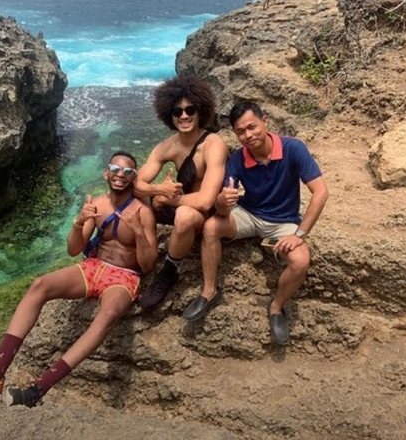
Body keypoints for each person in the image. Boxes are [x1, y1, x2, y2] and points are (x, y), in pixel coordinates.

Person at [0, 151, 158, 407]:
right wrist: (79, 223)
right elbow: (73, 250)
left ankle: (38, 389)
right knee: (39, 285)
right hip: (93, 267)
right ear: (106, 172)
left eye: (127, 171)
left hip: (124, 276)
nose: (120, 175)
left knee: (108, 313)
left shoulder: (143, 212)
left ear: (134, 177)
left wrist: (139, 234)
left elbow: (147, 264)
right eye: (115, 168)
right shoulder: (98, 205)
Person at [196, 102, 329, 344]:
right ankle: (209, 291)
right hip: (249, 213)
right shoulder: (237, 159)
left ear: (265, 121)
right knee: (211, 227)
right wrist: (222, 202)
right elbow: (222, 205)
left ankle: (277, 307)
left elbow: (320, 192)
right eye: (240, 131)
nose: (248, 135)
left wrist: (299, 234)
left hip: (284, 220)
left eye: (252, 127)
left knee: (300, 261)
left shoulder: (293, 148)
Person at [135, 75, 228, 313]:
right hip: (177, 205)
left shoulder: (213, 144)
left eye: (190, 109)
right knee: (133, 204)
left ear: (200, 111)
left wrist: (169, 199)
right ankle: (135, 258)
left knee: (185, 214)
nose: (184, 116)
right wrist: (157, 191)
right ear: (169, 114)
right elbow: (136, 183)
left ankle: (169, 270)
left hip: (201, 214)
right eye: (178, 111)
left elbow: (206, 200)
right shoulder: (167, 146)